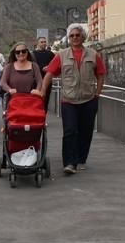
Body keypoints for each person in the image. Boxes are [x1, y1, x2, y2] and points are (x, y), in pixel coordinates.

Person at [41, 24, 106, 175]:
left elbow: (101, 75)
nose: (75, 38)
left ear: (83, 37)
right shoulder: (61, 55)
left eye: (78, 35)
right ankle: (69, 163)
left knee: (86, 131)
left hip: (88, 99)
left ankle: (81, 158)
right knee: (70, 131)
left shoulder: (93, 55)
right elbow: (49, 74)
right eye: (72, 35)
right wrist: (43, 92)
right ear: (69, 38)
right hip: (68, 100)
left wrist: (97, 93)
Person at [32, 36, 55, 111]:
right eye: (42, 42)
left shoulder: (51, 54)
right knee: (36, 100)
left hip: (47, 80)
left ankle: (43, 118)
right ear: (37, 43)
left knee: (46, 100)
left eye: (45, 42)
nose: (44, 43)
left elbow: (55, 64)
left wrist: (49, 67)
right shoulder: (33, 54)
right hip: (36, 81)